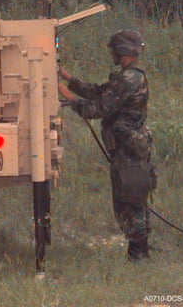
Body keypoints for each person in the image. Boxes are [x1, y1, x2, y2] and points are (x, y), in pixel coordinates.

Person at [58, 29, 154, 262]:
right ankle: (139, 253)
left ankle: (139, 256)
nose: (111, 52)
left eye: (114, 49)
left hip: (129, 150)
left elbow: (98, 108)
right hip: (126, 149)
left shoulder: (129, 79)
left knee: (131, 202)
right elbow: (100, 92)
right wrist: (68, 79)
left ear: (122, 51)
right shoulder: (128, 77)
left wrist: (68, 98)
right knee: (128, 200)